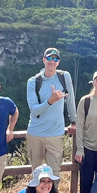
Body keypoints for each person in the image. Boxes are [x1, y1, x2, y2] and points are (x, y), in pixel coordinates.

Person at [26, 48, 77, 184]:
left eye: (55, 59)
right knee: (37, 175)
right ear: (43, 59)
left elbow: (70, 100)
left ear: (58, 62)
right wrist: (50, 101)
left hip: (55, 133)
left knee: (54, 174)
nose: (52, 61)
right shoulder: (33, 81)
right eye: (49, 58)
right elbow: (34, 110)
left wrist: (73, 121)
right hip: (36, 133)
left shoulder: (64, 77)